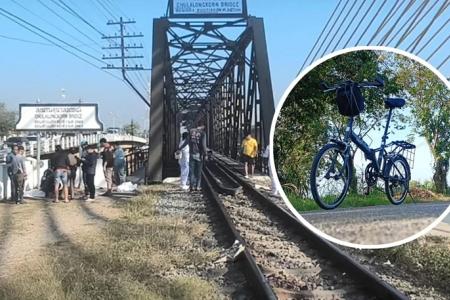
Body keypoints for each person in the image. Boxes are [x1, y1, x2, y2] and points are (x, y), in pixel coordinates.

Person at [187, 121, 208, 192]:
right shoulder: (203, 133)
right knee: (198, 172)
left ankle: (191, 187)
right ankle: (197, 186)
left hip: (191, 154)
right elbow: (203, 145)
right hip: (199, 155)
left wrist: (180, 149)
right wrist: (205, 154)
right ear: (202, 126)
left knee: (192, 171)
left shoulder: (191, 131)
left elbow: (187, 141)